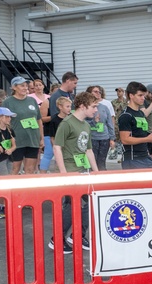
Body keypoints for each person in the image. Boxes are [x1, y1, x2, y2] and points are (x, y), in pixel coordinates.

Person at [50, 91, 100, 254]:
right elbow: (57, 147)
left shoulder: (86, 125)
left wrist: (96, 171)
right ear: (82, 106)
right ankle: (57, 239)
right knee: (71, 207)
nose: (95, 110)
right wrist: (64, 172)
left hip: (82, 171)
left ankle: (78, 235)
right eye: (93, 107)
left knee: (90, 203)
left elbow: (89, 150)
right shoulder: (67, 123)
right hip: (70, 171)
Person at [3, 76, 44, 175]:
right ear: (14, 87)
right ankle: (12, 189)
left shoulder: (32, 101)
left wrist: (41, 138)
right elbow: (3, 122)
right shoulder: (8, 102)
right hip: (17, 140)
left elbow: (39, 120)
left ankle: (27, 190)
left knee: (30, 169)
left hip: (32, 139)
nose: (25, 88)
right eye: (22, 86)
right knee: (15, 169)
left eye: (26, 86)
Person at [117, 81, 152, 169]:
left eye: (144, 95)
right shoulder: (126, 115)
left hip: (145, 156)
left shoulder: (140, 113)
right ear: (131, 96)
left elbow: (141, 133)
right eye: (140, 95)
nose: (143, 98)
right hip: (132, 159)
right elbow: (125, 139)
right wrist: (146, 139)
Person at [43, 73, 77, 173]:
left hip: (70, 132)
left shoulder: (70, 95)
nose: (75, 85)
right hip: (60, 133)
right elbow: (56, 118)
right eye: (74, 83)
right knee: (53, 155)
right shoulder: (56, 96)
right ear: (68, 81)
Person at [86, 85, 116, 171]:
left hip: (104, 138)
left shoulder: (104, 107)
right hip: (92, 138)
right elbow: (83, 122)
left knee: (101, 162)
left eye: (99, 92)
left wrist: (112, 138)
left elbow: (110, 123)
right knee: (92, 162)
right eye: (95, 91)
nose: (98, 93)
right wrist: (94, 121)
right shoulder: (86, 107)